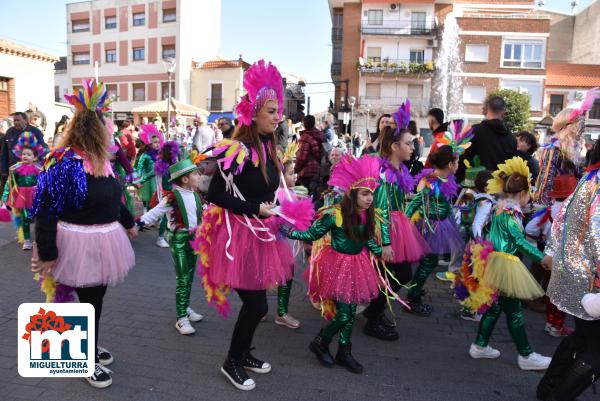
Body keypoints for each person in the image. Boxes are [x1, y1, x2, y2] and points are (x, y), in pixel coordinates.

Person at [191, 60, 294, 391]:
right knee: (257, 304)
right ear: (254, 113)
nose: (278, 116)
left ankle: (244, 353)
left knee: (258, 301)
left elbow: (269, 190)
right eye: (272, 110)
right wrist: (255, 209)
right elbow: (216, 195)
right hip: (236, 237)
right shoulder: (235, 149)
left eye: (279, 110)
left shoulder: (268, 147)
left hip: (260, 234)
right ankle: (231, 361)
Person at [31, 79, 137, 389]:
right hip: (75, 242)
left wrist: (129, 222)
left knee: (95, 299)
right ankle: (84, 357)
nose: (112, 130)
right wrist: (48, 254)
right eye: (108, 124)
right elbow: (46, 212)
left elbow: (114, 197)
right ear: (96, 129)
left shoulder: (102, 161)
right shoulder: (65, 164)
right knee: (87, 303)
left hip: (105, 240)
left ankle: (88, 346)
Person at [284, 154, 387, 374]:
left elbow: (366, 239)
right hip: (338, 267)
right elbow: (312, 233)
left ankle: (344, 351)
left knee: (349, 313)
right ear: (352, 193)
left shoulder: (365, 215)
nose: (370, 198)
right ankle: (321, 342)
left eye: (372, 194)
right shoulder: (335, 215)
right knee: (343, 315)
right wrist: (289, 231)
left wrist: (381, 251)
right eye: (365, 193)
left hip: (358, 266)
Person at [467, 157, 552, 371]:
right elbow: (519, 241)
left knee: (495, 308)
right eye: (529, 193)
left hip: (495, 263)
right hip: (506, 266)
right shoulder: (511, 213)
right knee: (514, 312)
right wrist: (541, 257)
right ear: (522, 193)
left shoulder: (498, 207)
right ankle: (526, 355)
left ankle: (480, 345)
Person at [537, 139, 600, 401]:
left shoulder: (591, 178)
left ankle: (548, 389)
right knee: (596, 352)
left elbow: (561, 217)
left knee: (582, 339)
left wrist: (551, 253)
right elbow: (597, 233)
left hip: (578, 272)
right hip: (591, 277)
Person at [363, 101, 430, 340]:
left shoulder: (400, 170)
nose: (413, 147)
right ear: (393, 146)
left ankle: (375, 311)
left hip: (397, 226)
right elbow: (380, 209)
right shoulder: (385, 174)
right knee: (397, 274)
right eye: (408, 143)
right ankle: (372, 318)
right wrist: (386, 243)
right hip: (385, 229)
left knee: (395, 274)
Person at [138, 158, 204, 335]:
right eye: (195, 174)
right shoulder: (172, 197)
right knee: (182, 277)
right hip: (179, 240)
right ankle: (181, 318)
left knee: (189, 276)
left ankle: (186, 307)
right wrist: (138, 223)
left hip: (194, 239)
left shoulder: (197, 195)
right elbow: (155, 212)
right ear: (185, 179)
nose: (199, 176)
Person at [405, 145, 466, 316]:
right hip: (431, 227)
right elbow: (416, 202)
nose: (458, 165)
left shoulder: (445, 179)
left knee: (429, 262)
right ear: (449, 164)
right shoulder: (432, 181)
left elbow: (445, 202)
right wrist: (404, 222)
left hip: (441, 225)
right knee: (428, 262)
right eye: (457, 162)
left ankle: (416, 290)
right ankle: (412, 297)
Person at [525, 175, 577, 338]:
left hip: (549, 256)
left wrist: (536, 247)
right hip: (566, 258)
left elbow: (530, 229)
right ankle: (556, 326)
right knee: (561, 293)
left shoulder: (548, 211)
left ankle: (550, 323)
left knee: (551, 290)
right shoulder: (574, 212)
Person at [533, 89, 596, 206]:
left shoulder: (575, 149)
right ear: (568, 127)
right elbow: (545, 183)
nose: (582, 129)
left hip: (570, 203)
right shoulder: (553, 149)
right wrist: (547, 210)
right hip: (554, 206)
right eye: (579, 125)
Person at [457, 96, 517, 182]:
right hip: (500, 187)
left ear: (486, 109)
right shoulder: (511, 138)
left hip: (476, 187)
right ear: (504, 112)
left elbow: (461, 159)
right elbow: (512, 166)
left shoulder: (472, 131)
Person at [1, 132, 44, 250]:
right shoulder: (16, 169)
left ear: (34, 157)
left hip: (35, 196)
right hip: (23, 197)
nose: (25, 156)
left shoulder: (38, 169)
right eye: (23, 154)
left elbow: (44, 183)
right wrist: (4, 198)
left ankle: (42, 238)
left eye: (28, 154)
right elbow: (9, 184)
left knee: (39, 218)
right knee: (25, 218)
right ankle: (27, 240)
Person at [151, 141, 180, 248]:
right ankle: (160, 238)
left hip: (172, 193)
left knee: (172, 215)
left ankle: (168, 235)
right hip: (166, 194)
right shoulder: (163, 167)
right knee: (165, 216)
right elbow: (166, 185)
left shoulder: (172, 165)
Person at [1, 112, 47, 177]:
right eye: (14, 120)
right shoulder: (9, 132)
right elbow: (4, 152)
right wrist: (3, 170)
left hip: (30, 172)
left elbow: (42, 150)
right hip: (13, 170)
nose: (16, 122)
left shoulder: (35, 131)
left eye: (18, 120)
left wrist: (38, 167)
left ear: (25, 120)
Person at [135, 125, 163, 211]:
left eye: (158, 142)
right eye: (155, 142)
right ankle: (147, 213)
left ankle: (157, 216)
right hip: (148, 181)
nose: (157, 144)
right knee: (149, 198)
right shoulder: (145, 155)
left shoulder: (161, 154)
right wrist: (137, 180)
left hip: (159, 179)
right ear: (149, 143)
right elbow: (138, 168)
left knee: (159, 197)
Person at [295, 115, 324, 191]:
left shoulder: (305, 137)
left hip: (306, 172)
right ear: (314, 124)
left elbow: (301, 158)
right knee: (313, 196)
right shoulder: (320, 135)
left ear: (304, 124)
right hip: (318, 170)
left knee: (304, 196)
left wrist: (295, 169)